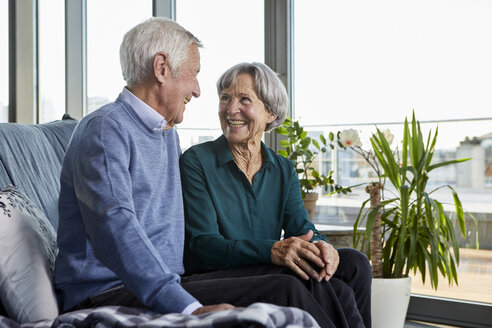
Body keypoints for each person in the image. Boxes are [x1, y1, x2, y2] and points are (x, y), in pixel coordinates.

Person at [54, 17, 348, 326]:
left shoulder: (165, 132)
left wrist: (321, 245)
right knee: (287, 287)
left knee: (344, 268)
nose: (196, 90)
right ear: (162, 68)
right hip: (106, 291)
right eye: (193, 74)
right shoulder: (105, 130)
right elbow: (116, 230)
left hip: (169, 284)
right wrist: (188, 308)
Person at [180, 62, 372, 327]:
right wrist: (272, 250)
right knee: (310, 280)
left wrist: (323, 246)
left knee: (356, 264)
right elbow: (204, 245)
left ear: (270, 112)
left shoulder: (283, 168)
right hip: (216, 275)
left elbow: (302, 229)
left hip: (269, 267)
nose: (231, 109)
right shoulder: (196, 161)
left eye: (244, 99)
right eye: (225, 98)